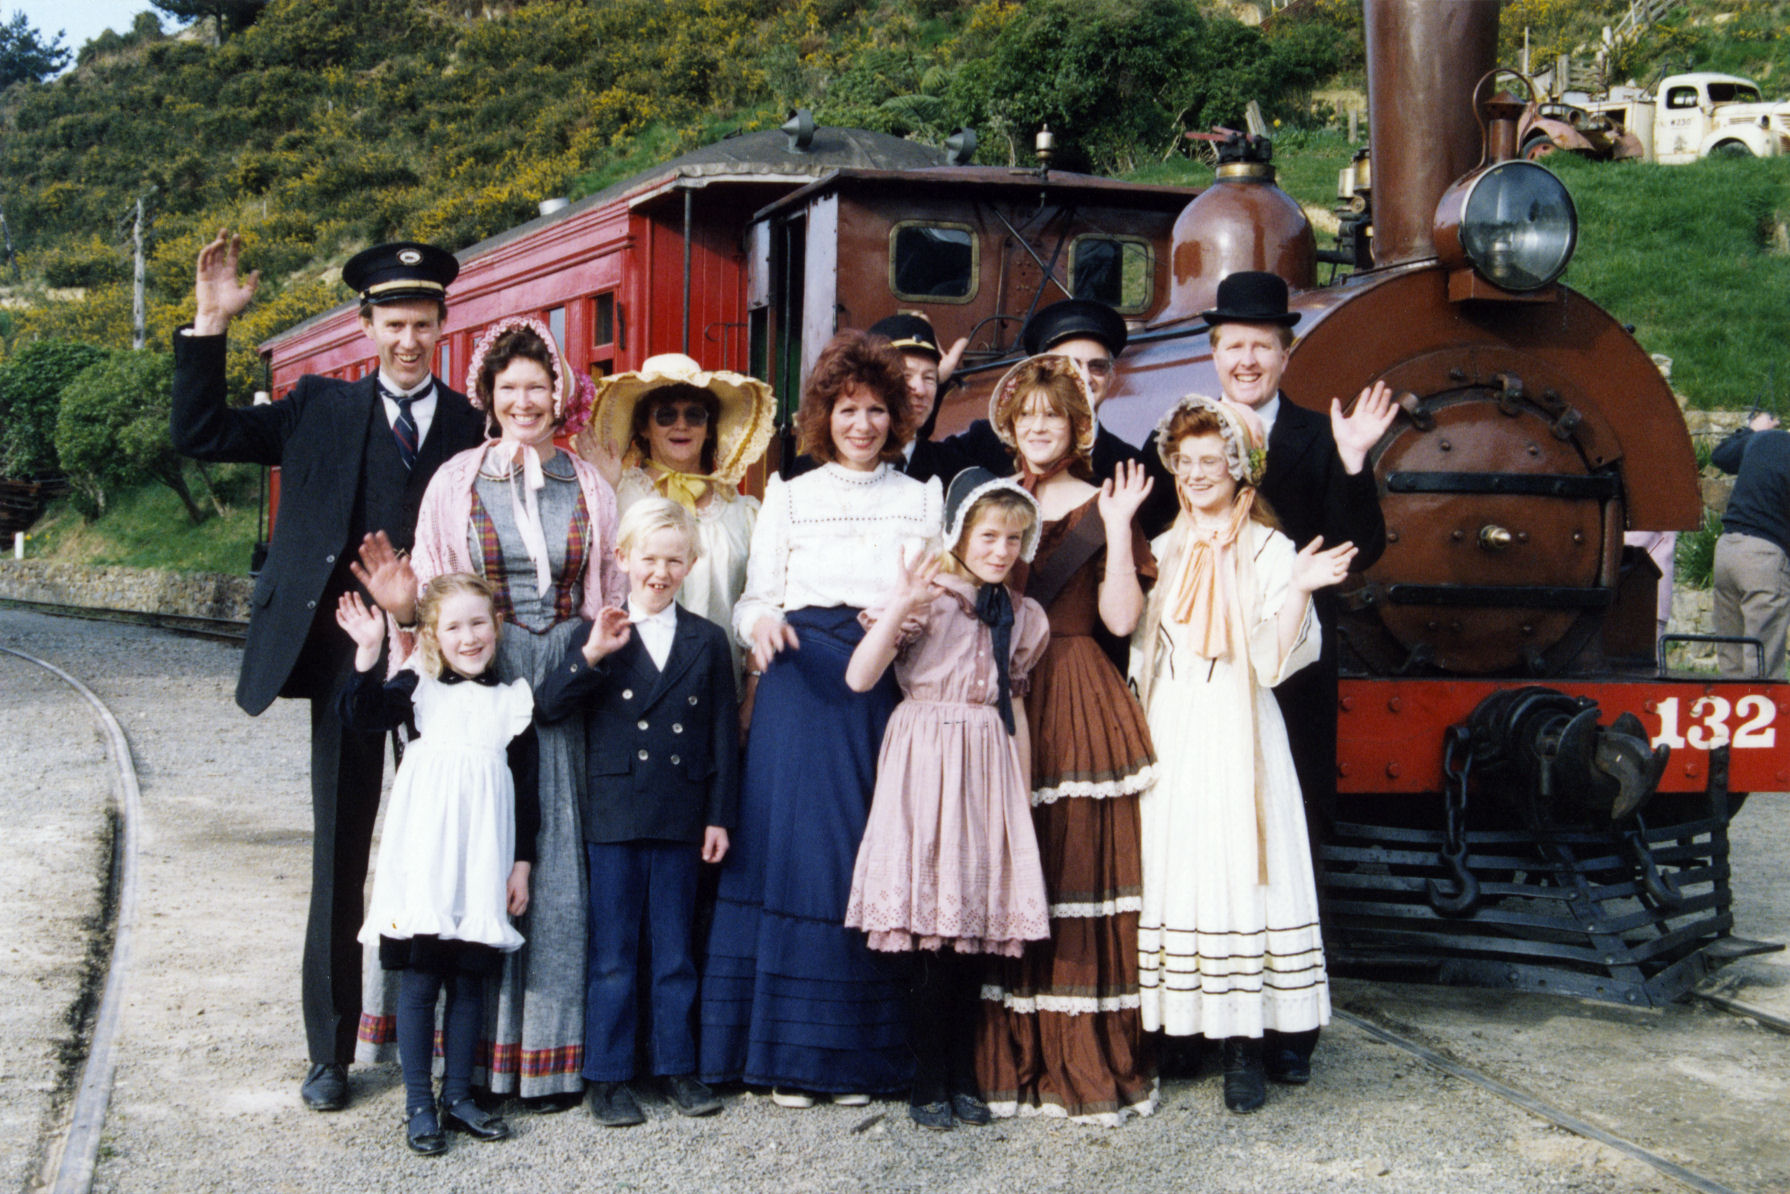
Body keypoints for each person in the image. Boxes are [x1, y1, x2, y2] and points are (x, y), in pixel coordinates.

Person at [168, 231, 486, 1112]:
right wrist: (209, 322)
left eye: (423, 323)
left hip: (445, 670)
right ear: (366, 323)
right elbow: (201, 431)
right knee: (341, 859)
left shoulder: (471, 424)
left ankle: (459, 1056)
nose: (408, 340)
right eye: (393, 323)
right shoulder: (317, 408)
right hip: (348, 667)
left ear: (443, 324)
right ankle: (331, 1053)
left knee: (456, 852)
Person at [352, 316, 626, 1103]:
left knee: (551, 856)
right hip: (484, 674)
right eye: (509, 387)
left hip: (567, 674)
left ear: (559, 392)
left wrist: (594, 662)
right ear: (489, 395)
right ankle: (458, 1063)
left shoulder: (590, 484)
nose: (524, 400)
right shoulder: (456, 481)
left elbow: (604, 584)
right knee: (472, 848)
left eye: (537, 385)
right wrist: (412, 634)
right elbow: (438, 589)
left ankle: (546, 1053)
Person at [699, 330, 943, 1105]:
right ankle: (782, 1057)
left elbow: (935, 602)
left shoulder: (919, 497)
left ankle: (852, 1060)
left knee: (856, 857)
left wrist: (910, 622)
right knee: (788, 857)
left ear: (896, 416)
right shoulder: (789, 494)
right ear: (824, 415)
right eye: (847, 409)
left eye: (877, 409)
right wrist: (759, 625)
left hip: (876, 694)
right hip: (798, 689)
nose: (863, 424)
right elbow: (752, 597)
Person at [1130, 395, 1356, 1114]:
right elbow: (1143, 655)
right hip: (1173, 726)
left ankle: (1246, 1046)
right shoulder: (1162, 549)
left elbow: (1271, 660)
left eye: (1212, 461)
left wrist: (1296, 592)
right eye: (1185, 462)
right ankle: (1185, 1031)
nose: (1197, 474)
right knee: (1180, 869)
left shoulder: (1270, 549)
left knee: (1242, 869)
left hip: (1238, 725)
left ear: (1241, 468)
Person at [973, 355, 1160, 1126]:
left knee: (1077, 865)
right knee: (1014, 869)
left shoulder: (1105, 501)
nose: (1040, 427)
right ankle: (1011, 1057)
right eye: (1027, 418)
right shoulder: (995, 504)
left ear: (1077, 425)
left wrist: (1116, 532)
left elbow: (1121, 621)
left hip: (1079, 690)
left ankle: (1081, 1054)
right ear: (1011, 428)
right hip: (1005, 693)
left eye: (1055, 416)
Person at [843, 470, 1053, 1131]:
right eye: (988, 535)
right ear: (959, 534)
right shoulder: (926, 600)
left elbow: (1013, 703)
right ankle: (925, 1079)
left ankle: (963, 1073)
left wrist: (1019, 800)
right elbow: (860, 676)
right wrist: (903, 602)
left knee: (975, 933)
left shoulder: (1020, 615)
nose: (1001, 549)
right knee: (931, 931)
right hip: (926, 754)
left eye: (1014, 539)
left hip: (987, 762)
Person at [534, 498, 740, 1127]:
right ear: (621, 557)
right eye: (648, 557)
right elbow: (548, 707)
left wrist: (718, 816)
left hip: (681, 811)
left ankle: (676, 1065)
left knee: (676, 949)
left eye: (674, 559)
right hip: (616, 812)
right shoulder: (598, 632)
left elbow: (722, 736)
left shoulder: (708, 639)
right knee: (615, 952)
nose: (660, 570)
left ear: (692, 564)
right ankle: (610, 1074)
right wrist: (592, 654)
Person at [335, 575, 536, 1153]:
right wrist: (369, 652)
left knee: (470, 981)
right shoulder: (416, 686)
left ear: (496, 624)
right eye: (453, 626)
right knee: (422, 982)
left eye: (478, 623)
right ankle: (418, 1102)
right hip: (425, 861)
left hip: (482, 863)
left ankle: (458, 1095)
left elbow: (527, 790)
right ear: (431, 636)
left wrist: (520, 865)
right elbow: (361, 715)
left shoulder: (511, 701)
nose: (469, 637)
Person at [579, 352, 775, 690]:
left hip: (720, 688)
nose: (681, 425)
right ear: (643, 425)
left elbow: (760, 601)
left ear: (709, 427)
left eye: (694, 415)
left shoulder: (743, 511)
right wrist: (606, 488)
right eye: (666, 415)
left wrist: (753, 689)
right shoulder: (620, 495)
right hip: (635, 686)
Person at [938, 298, 1178, 534]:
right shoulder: (986, 442)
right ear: (1041, 375)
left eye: (1097, 366)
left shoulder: (1129, 467)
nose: (1084, 376)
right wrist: (935, 385)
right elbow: (914, 464)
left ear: (1112, 377)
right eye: (1070, 366)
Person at [791, 313, 974, 484]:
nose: (919, 390)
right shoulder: (805, 475)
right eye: (906, 375)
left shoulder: (953, 471)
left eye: (929, 378)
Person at [1711, 412, 1790, 677]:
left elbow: (1720, 456)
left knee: (1731, 662)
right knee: (1762, 667)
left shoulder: (1762, 440)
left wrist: (1750, 431)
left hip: (1727, 550)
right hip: (1763, 556)